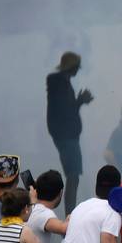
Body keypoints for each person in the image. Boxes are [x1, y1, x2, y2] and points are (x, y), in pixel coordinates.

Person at [45, 51, 92, 214]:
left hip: (68, 135)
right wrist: (80, 101)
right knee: (73, 175)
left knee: (74, 175)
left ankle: (70, 213)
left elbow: (66, 110)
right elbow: (64, 111)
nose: (78, 70)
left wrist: (78, 102)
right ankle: (69, 215)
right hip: (66, 136)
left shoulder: (61, 82)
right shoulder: (58, 82)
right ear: (72, 67)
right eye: (77, 67)